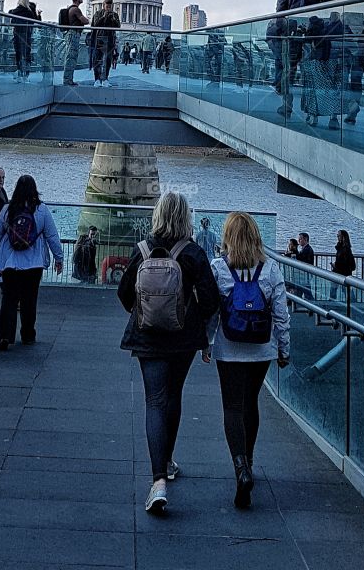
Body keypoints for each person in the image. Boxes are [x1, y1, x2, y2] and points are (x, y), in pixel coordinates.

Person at [117, 191, 220, 515]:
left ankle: (158, 478)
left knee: (154, 401)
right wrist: (198, 326)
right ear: (186, 217)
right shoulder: (192, 252)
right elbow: (210, 298)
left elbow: (123, 292)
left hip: (147, 336)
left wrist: (144, 311)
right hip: (183, 337)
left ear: (158, 215)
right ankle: (169, 460)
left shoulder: (143, 250)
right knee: (173, 395)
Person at [204, 212, 290, 508]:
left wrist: (206, 342)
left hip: (229, 347)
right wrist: (284, 349)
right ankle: (250, 462)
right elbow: (281, 315)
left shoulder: (219, 268)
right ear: (256, 235)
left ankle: (239, 467)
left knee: (232, 406)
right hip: (262, 348)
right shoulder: (270, 269)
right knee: (251, 403)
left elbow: (212, 312)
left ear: (228, 237)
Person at [0, 174, 63, 349]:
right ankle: (28, 334)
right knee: (30, 299)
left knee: (9, 299)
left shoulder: (8, 209)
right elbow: (52, 236)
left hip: (10, 262)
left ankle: (5, 336)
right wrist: (58, 258)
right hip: (34, 263)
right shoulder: (42, 210)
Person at [299, 0, 348, 129]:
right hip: (336, 41)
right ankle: (334, 117)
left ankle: (313, 116)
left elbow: (304, 15)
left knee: (314, 80)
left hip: (315, 42)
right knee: (335, 81)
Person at [271, 0, 319, 119]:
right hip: (312, 33)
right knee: (311, 71)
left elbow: (280, 8)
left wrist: (280, 30)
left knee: (289, 69)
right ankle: (311, 111)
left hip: (291, 32)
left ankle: (287, 105)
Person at [91, 0, 121, 85]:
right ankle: (97, 79)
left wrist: (112, 19)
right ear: (103, 5)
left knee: (108, 60)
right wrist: (103, 17)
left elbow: (118, 26)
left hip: (110, 38)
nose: (108, 8)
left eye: (110, 6)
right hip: (99, 38)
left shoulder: (114, 15)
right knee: (97, 59)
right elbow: (95, 25)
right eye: (107, 6)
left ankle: (105, 79)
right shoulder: (98, 13)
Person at [60, 0, 88, 86]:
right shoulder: (76, 10)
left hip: (71, 34)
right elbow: (84, 21)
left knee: (70, 56)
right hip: (74, 34)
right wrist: (87, 20)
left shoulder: (70, 9)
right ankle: (68, 80)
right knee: (71, 57)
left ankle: (68, 79)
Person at [8, 0, 37, 80]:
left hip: (17, 34)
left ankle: (19, 72)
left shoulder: (14, 11)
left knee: (18, 53)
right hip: (26, 35)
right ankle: (26, 74)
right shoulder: (29, 12)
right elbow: (33, 22)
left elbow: (12, 23)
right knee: (26, 54)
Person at [329, 229, 356, 300]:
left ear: (343, 237)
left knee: (343, 289)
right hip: (340, 271)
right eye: (337, 236)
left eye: (339, 236)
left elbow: (344, 262)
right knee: (340, 289)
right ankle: (352, 302)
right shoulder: (341, 248)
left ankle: (352, 303)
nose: (337, 237)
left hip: (342, 272)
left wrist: (336, 265)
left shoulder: (345, 249)